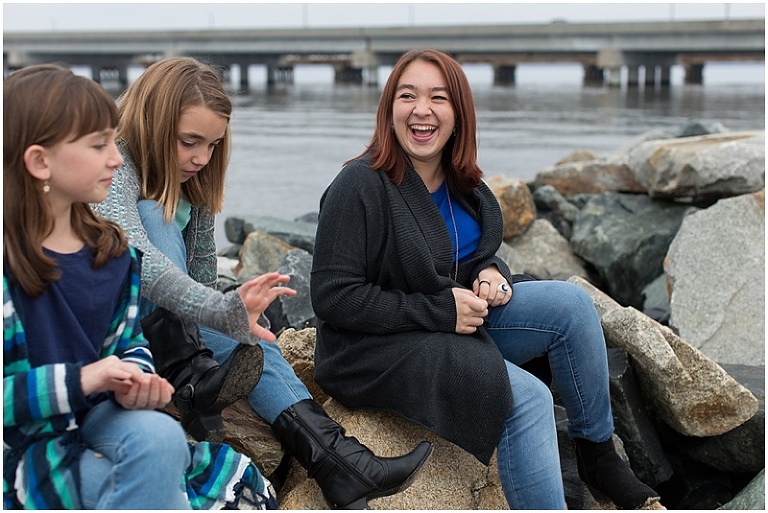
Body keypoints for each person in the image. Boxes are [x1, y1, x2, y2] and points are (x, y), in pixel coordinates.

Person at [309, 48, 663, 510]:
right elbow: (332, 297)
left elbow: (466, 255)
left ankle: (599, 456)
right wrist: (440, 309)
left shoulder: (465, 186)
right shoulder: (359, 185)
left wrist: (489, 271)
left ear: (458, 113)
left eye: (438, 97)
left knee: (572, 307)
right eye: (407, 95)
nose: (421, 110)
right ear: (388, 109)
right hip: (374, 349)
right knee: (528, 398)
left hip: (450, 322)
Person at [92, 56, 432, 509]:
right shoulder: (113, 159)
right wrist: (218, 310)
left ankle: (341, 463)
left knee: (255, 335)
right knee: (159, 213)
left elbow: (202, 279)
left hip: (170, 332)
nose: (201, 158)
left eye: (212, 145)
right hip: (112, 330)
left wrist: (234, 314)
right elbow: (135, 255)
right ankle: (192, 375)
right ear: (152, 123)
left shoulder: (194, 174)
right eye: (189, 142)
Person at [3, 63, 278, 510]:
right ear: (39, 161)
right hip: (25, 434)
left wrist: (136, 377)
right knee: (142, 483)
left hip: (96, 413)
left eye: (114, 142)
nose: (116, 158)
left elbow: (128, 339)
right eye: (99, 146)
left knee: (163, 437)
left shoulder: (111, 252)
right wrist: (85, 378)